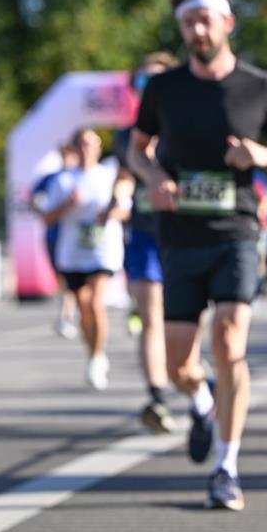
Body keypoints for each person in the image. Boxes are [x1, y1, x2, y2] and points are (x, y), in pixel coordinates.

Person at [128, 0, 267, 511]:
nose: (197, 30)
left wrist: (263, 157)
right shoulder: (164, 89)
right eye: (187, 23)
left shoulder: (261, 88)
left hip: (238, 232)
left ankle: (227, 467)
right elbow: (137, 149)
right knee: (180, 364)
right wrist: (154, 176)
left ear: (227, 24)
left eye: (206, 20)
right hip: (180, 235)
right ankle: (201, 403)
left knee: (229, 342)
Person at [114, 52, 179, 432]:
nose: (149, 90)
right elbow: (124, 175)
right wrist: (120, 196)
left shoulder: (185, 130)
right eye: (142, 82)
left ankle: (188, 368)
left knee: (181, 319)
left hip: (184, 235)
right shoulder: (126, 135)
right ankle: (157, 398)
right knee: (152, 316)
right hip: (143, 234)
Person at [40, 128, 127, 390]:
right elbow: (47, 218)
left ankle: (96, 360)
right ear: (75, 148)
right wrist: (68, 203)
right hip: (73, 253)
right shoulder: (63, 180)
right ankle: (94, 353)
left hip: (104, 250)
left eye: (93, 143)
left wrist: (109, 215)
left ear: (99, 148)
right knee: (84, 307)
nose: (88, 148)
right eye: (83, 143)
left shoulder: (109, 176)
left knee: (96, 302)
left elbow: (126, 211)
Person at [30, 142, 79, 339]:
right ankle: (66, 314)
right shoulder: (50, 178)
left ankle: (67, 315)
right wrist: (44, 214)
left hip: (75, 235)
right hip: (54, 234)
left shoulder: (81, 176)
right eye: (64, 153)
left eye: (70, 152)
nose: (67, 156)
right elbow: (33, 200)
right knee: (62, 277)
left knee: (73, 276)